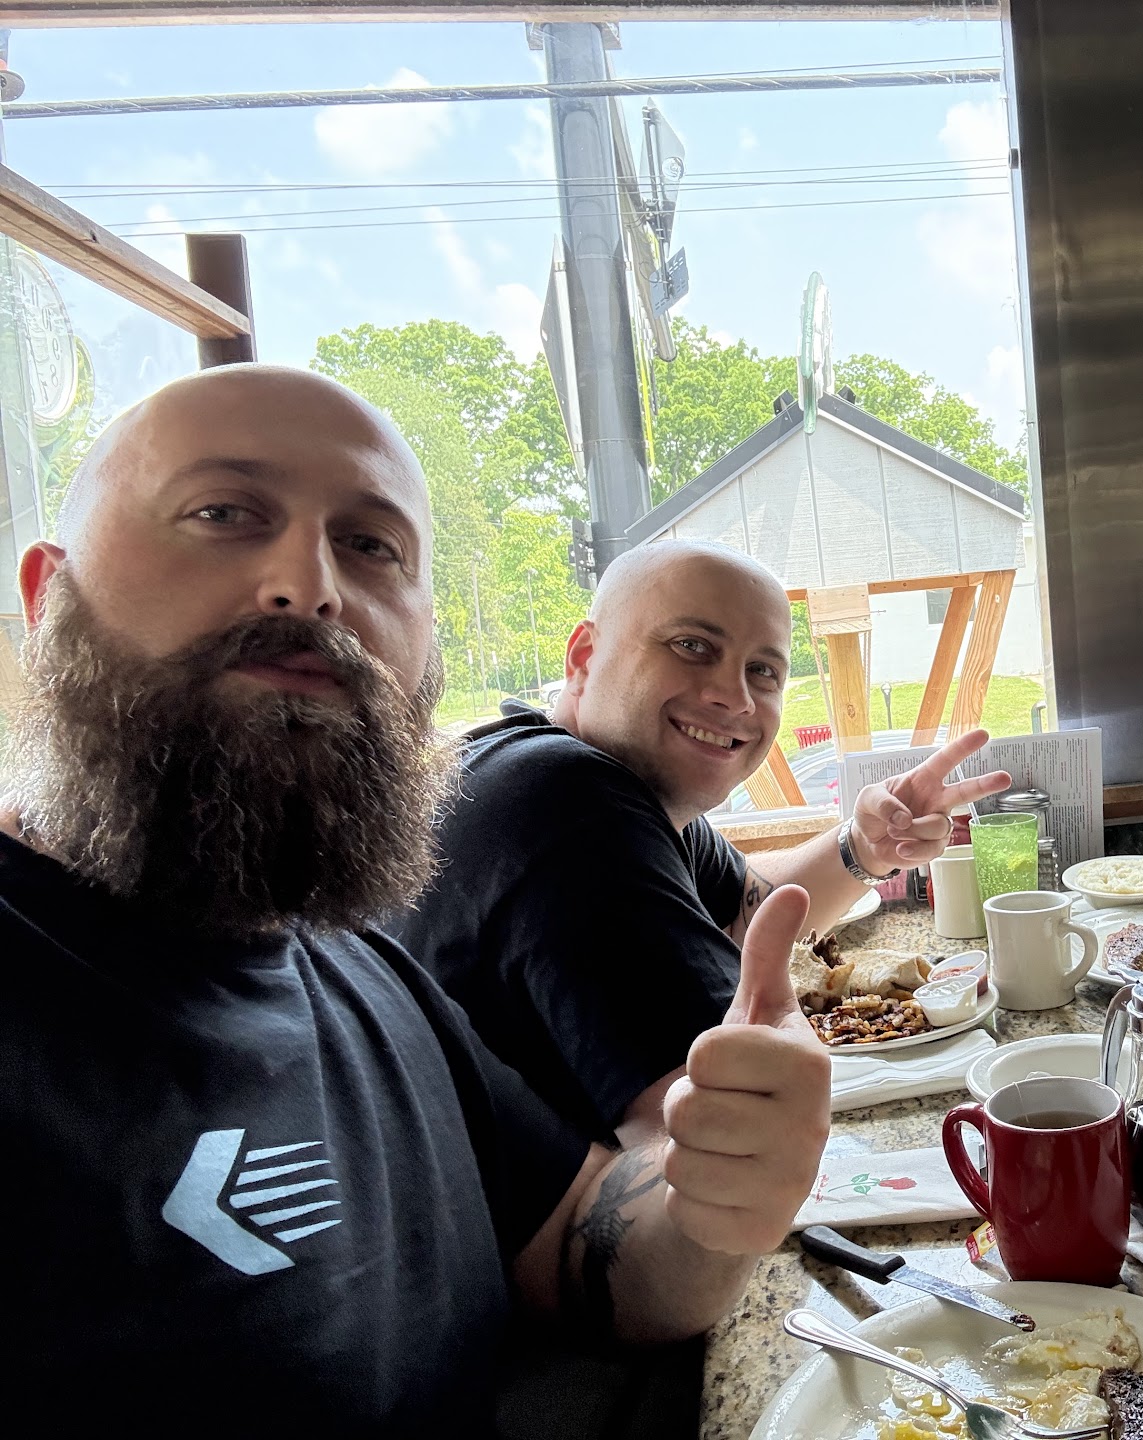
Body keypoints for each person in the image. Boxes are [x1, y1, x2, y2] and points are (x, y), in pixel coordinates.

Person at [0, 366, 830, 1433]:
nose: (309, 585)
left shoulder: (357, 966)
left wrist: (713, 1204)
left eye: (371, 545)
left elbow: (583, 1243)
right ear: (47, 599)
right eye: (223, 513)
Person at [396, 539, 1008, 1145]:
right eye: (692, 646)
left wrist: (864, 848)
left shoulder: (554, 769)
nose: (734, 697)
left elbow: (749, 912)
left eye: (762, 671)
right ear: (584, 656)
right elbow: (725, 1136)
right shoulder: (570, 801)